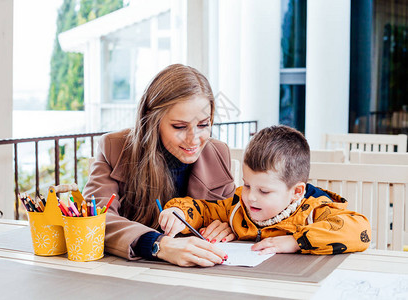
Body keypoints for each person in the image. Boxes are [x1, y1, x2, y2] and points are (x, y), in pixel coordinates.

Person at [83, 64, 236, 267]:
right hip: (126, 273)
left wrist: (227, 226)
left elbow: (232, 212)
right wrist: (158, 245)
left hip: (201, 275)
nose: (194, 139)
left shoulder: (218, 153)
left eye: (203, 125)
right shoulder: (115, 147)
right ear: (152, 121)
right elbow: (94, 219)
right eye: (179, 127)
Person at [160, 125, 371, 255]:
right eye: (248, 184)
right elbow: (204, 209)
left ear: (297, 192)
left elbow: (360, 229)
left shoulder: (314, 212)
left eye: (264, 191)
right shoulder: (236, 205)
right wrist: (177, 213)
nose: (251, 197)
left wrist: (295, 242)